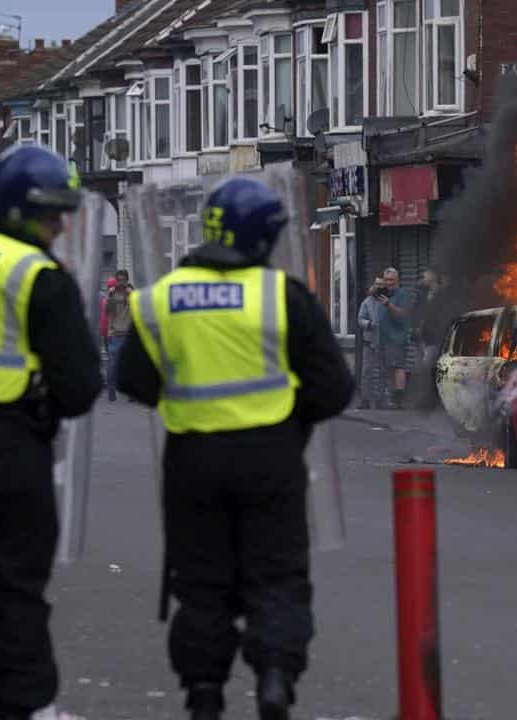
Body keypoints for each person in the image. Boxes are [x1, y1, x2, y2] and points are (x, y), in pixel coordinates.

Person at [116, 176, 354, 720]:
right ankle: (274, 677)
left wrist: (181, 393)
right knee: (277, 575)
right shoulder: (282, 296)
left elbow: (132, 379)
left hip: (192, 461)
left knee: (201, 584)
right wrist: (291, 420)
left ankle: (203, 693)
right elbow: (334, 388)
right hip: (270, 459)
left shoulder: (159, 301)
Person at [0, 145, 101, 720]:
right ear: (17, 209)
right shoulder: (36, 274)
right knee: (15, 594)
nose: (59, 226)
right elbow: (80, 386)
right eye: (50, 214)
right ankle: (24, 705)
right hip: (11, 451)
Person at [410, 267, 448, 410]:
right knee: (422, 369)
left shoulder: (442, 295)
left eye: (426, 274)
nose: (423, 276)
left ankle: (431, 401)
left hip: (433, 339)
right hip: (420, 338)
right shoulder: (422, 293)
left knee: (428, 369)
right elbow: (416, 312)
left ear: (434, 276)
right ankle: (424, 400)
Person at [376, 267, 414, 409]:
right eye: (386, 280)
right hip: (383, 339)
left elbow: (403, 315)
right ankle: (391, 398)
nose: (388, 282)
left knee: (398, 367)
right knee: (387, 369)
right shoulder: (384, 294)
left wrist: (389, 305)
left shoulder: (402, 294)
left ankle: (398, 401)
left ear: (397, 280)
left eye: (391, 280)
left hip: (396, 339)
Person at [104, 269, 134, 401]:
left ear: (127, 280)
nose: (121, 282)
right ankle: (111, 389)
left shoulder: (131, 293)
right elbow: (106, 311)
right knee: (113, 364)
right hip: (115, 334)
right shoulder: (112, 293)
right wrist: (110, 296)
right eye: (119, 280)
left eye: (124, 280)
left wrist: (131, 296)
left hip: (129, 334)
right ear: (116, 281)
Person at [357, 277, 386, 409]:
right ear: (373, 285)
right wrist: (369, 324)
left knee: (382, 371)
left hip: (383, 342)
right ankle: (365, 400)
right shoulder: (367, 302)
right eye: (377, 284)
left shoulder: (386, 301)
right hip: (369, 341)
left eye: (381, 284)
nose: (379, 287)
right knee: (366, 372)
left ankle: (380, 400)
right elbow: (360, 319)